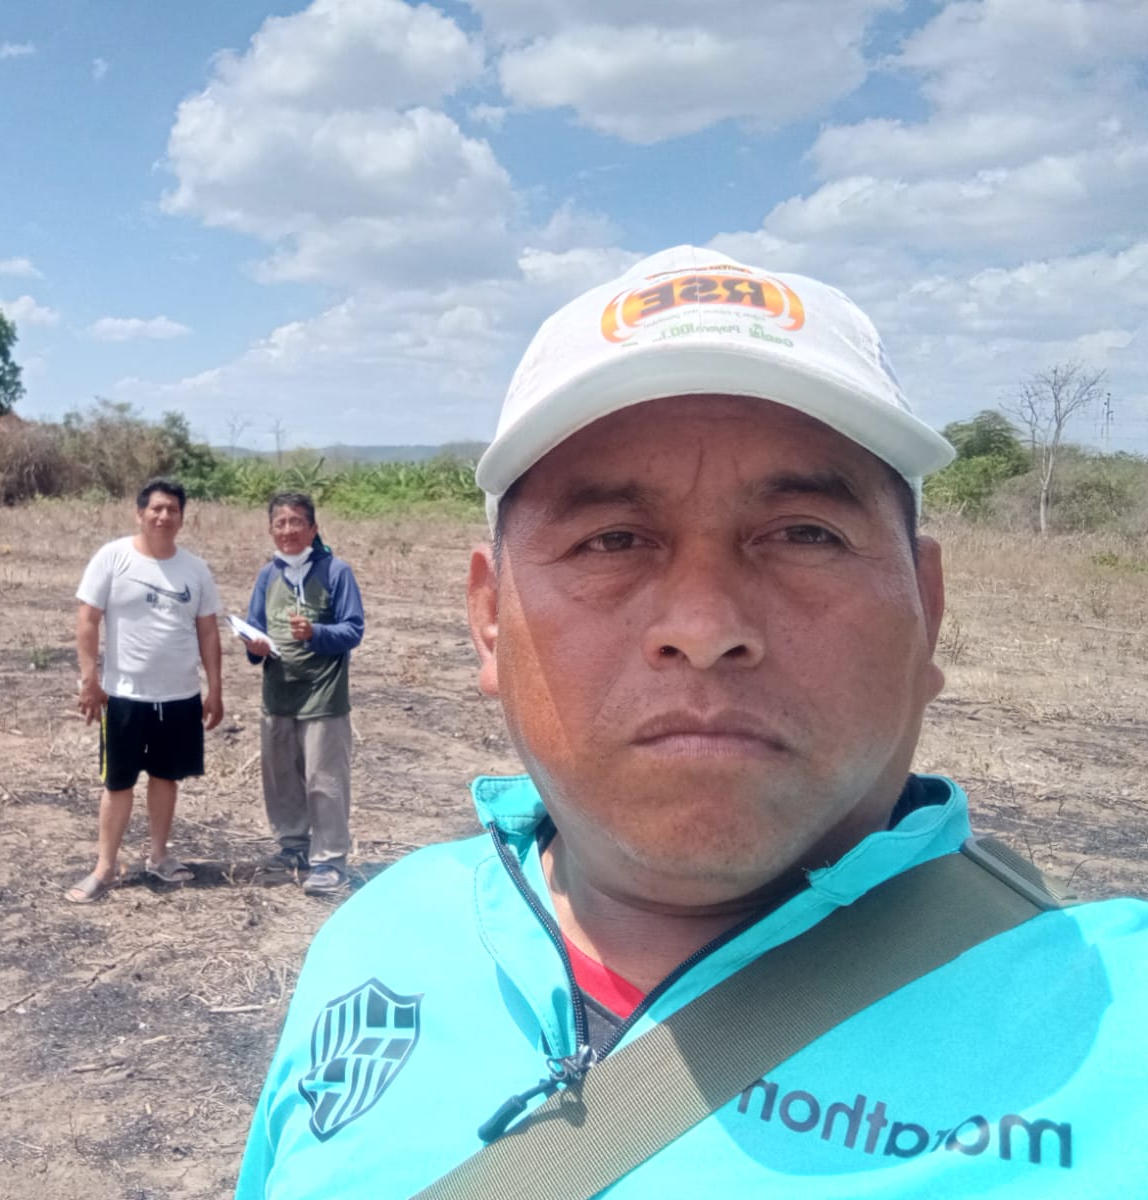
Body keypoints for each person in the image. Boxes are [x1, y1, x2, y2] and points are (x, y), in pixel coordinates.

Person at [235, 246, 1148, 1196]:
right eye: (611, 540)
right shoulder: (378, 938)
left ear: (928, 608)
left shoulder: (1123, 1046)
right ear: (491, 620)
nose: (705, 627)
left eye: (806, 534)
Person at [66, 477, 223, 903]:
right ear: (140, 513)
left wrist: (215, 689)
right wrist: (89, 680)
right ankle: (105, 867)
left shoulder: (195, 569)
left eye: (172, 509)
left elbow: (208, 631)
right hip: (124, 697)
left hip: (179, 698)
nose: (163, 516)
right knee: (118, 783)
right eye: (156, 508)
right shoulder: (113, 558)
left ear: (182, 518)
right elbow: (87, 620)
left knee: (166, 778)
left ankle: (159, 856)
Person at [239, 492, 365, 896]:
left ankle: (329, 861)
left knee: (324, 781)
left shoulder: (335, 572)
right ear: (271, 530)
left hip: (323, 698)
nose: (288, 530)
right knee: (282, 780)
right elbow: (254, 627)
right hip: (278, 697)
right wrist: (254, 647)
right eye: (280, 523)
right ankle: (292, 847)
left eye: (296, 522)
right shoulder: (268, 576)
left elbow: (353, 629)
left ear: (313, 529)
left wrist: (315, 633)